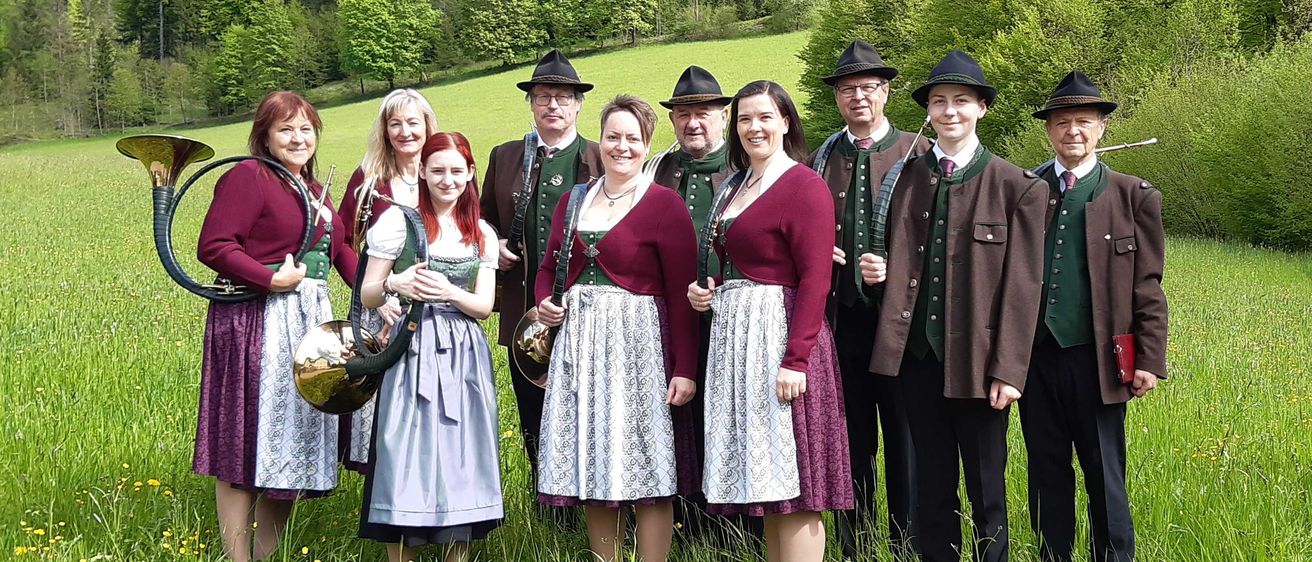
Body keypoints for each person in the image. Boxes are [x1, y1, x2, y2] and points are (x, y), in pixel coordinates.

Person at [861, 50, 1046, 562]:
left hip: (982, 367)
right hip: (916, 361)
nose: (949, 112)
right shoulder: (903, 178)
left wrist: (1009, 370)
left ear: (982, 108)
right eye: (939, 103)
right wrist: (875, 277)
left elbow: (1023, 288)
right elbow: (896, 266)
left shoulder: (1018, 187)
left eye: (961, 102)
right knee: (931, 488)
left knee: (988, 492)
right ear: (928, 112)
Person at [687, 80, 851, 562]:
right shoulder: (734, 185)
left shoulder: (804, 185)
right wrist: (710, 291)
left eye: (764, 117)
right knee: (771, 489)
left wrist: (796, 360)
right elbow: (737, 261)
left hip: (782, 341)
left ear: (785, 122)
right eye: (744, 119)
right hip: (738, 339)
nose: (753, 127)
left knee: (797, 490)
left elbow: (816, 279)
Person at [533, 95, 699, 562]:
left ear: (647, 145)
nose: (621, 146)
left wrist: (684, 368)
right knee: (591, 460)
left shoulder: (663, 204)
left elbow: (682, 295)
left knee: (648, 465)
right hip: (579, 347)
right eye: (613, 136)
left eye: (632, 138)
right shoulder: (574, 200)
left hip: (638, 346)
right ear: (599, 140)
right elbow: (548, 269)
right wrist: (544, 300)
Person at [193, 90, 357, 562]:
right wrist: (270, 278)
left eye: (306, 128)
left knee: (296, 440)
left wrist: (382, 292)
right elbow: (216, 245)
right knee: (247, 442)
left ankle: (264, 555)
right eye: (286, 128)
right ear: (264, 136)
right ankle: (237, 557)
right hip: (257, 322)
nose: (298, 137)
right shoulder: (250, 176)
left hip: (310, 324)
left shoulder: (313, 188)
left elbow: (341, 254)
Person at [1022, 71, 1168, 562]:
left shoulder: (1134, 196)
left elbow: (1148, 284)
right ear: (1049, 131)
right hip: (1034, 359)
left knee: (1105, 474)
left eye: (1083, 121)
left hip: (1099, 360)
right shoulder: (1025, 191)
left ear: (1101, 128)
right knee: (1045, 473)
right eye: (1062, 123)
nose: (1072, 132)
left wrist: (1149, 357)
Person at [355, 132, 504, 562]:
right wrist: (393, 285)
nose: (447, 179)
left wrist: (448, 292)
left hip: (463, 354)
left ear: (470, 174)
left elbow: (484, 306)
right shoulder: (398, 222)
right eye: (437, 170)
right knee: (404, 450)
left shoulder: (481, 234)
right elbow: (367, 293)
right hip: (411, 349)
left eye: (457, 171)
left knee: (461, 454)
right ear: (422, 171)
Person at [807, 39, 925, 559]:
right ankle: (855, 541)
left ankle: (904, 542)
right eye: (847, 89)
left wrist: (896, 268)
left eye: (868, 88)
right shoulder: (822, 156)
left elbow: (938, 242)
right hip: (839, 320)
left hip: (900, 325)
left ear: (886, 93)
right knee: (851, 438)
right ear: (837, 98)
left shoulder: (918, 152)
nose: (858, 97)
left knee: (904, 438)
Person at [479, 49, 604, 506]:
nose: (553, 105)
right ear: (531, 104)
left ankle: (600, 502)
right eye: (543, 96)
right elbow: (481, 220)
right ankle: (549, 510)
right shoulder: (505, 156)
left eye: (563, 97)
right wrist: (493, 244)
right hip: (522, 315)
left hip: (591, 313)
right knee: (533, 416)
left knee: (591, 412)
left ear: (578, 105)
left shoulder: (599, 156)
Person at [649, 64, 734, 538]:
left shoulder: (746, 168)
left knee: (727, 414)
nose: (693, 123)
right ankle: (686, 521)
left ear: (722, 116)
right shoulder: (658, 170)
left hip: (732, 318)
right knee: (676, 414)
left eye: (703, 112)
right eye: (683, 114)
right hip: (667, 317)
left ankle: (732, 526)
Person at [336, 88, 440, 470]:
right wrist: (374, 293)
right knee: (381, 407)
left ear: (427, 125)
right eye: (395, 123)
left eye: (413, 122)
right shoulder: (369, 181)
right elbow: (343, 242)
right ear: (384, 130)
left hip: (434, 307)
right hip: (378, 309)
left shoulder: (445, 172)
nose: (405, 131)